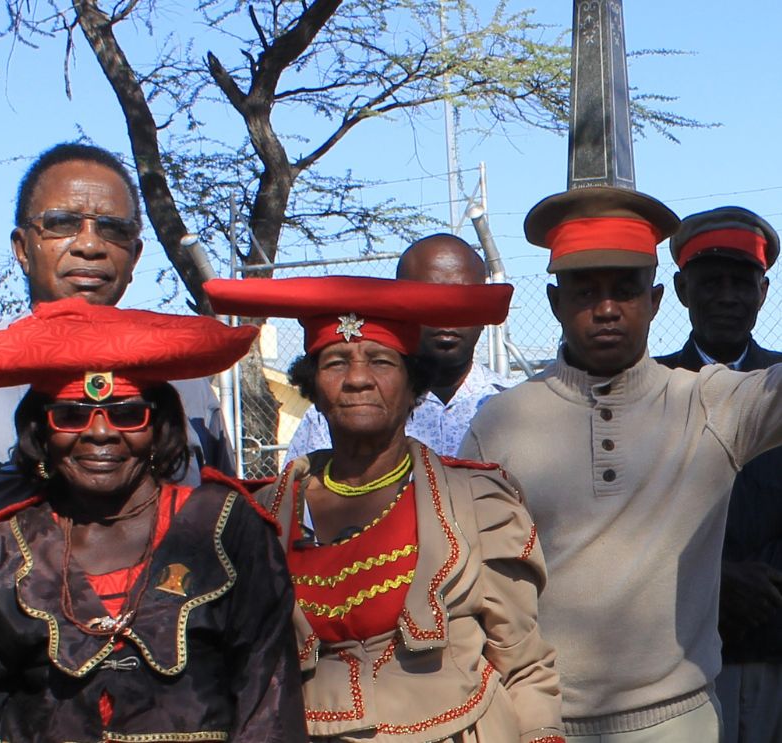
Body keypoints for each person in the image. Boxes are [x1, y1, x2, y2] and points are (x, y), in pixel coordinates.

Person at [0, 298, 306, 741]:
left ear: (160, 426)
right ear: (41, 431)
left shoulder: (226, 529)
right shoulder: (2, 549)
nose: (100, 432)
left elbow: (268, 697)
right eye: (71, 416)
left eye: (128, 414)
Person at [460, 186, 782, 741]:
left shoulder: (711, 403)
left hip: (677, 721)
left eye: (625, 290)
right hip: (542, 722)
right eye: (585, 291)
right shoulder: (503, 423)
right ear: (555, 303)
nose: (606, 309)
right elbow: (472, 583)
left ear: (656, 300)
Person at [204, 275, 565, 743]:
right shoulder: (262, 514)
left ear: (413, 382)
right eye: (335, 362)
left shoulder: (477, 503)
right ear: (311, 385)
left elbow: (524, 664)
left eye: (380, 360)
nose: (357, 379)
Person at [0, 143, 234, 542]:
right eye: (62, 223)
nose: (90, 246)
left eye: (114, 229)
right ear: (23, 248)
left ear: (135, 255)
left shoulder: (186, 383)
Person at [655, 206, 782, 743]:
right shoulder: (648, 389)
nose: (728, 296)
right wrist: (718, 577)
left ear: (764, 291)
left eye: (742, 282)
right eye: (712, 282)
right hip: (679, 639)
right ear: (683, 290)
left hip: (776, 632)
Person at [286, 233, 511, 461]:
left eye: (461, 302)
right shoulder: (338, 410)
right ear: (399, 308)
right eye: (429, 301)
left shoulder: (515, 406)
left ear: (484, 313)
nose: (446, 318)